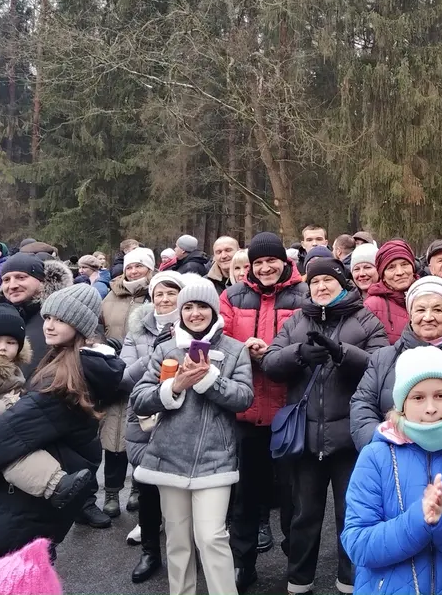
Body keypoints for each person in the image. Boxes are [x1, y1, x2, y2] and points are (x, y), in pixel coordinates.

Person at [0, 284, 125, 560]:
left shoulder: (63, 378)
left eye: (61, 319)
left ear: (80, 326)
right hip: (44, 493)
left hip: (24, 505)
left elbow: (11, 433)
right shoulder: (76, 364)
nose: (50, 326)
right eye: (47, 317)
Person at [262, 256, 388, 595]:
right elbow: (271, 362)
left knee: (351, 513)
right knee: (303, 515)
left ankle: (349, 580)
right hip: (305, 438)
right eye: (314, 282)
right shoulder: (294, 322)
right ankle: (299, 581)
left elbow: (381, 364)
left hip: (349, 438)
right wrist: (299, 354)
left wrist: (342, 352)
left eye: (327, 281)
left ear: (341, 283)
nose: (320, 286)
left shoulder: (364, 319)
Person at [342, 346, 442, 595]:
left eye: (440, 395)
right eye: (418, 397)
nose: (430, 408)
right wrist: (419, 519)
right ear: (402, 403)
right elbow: (358, 544)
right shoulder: (375, 456)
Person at [131, 278, 254, 595]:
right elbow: (140, 399)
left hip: (215, 459)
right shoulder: (165, 349)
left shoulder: (234, 350)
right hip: (168, 458)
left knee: (212, 537)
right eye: (188, 307)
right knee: (178, 540)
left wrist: (209, 379)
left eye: (202, 306)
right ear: (180, 311)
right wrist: (175, 386)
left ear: (213, 310)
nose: (195, 313)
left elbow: (243, 398)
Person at [221, 231, 307, 592]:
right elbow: (219, 341)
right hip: (245, 411)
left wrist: (271, 353)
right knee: (245, 496)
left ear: (284, 262)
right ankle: (244, 564)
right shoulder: (232, 296)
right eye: (259, 262)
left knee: (294, 496)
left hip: (290, 410)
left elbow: (308, 343)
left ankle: (297, 563)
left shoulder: (303, 295)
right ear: (250, 266)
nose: (266, 267)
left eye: (272, 260)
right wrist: (246, 349)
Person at [0, 308, 93, 509]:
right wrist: (9, 404)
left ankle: (57, 482)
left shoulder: (4, 370)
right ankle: (55, 487)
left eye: (11, 343)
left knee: (17, 447)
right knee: (11, 454)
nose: (2, 348)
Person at [351, 276, 442, 450]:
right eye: (420, 310)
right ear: (410, 314)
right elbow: (363, 405)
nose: (428, 317)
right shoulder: (383, 358)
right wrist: (382, 449)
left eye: (437, 309)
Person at [121, 269, 184, 583]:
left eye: (171, 293)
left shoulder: (193, 326)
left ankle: (182, 551)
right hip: (146, 419)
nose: (164, 298)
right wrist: (158, 353)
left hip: (183, 418)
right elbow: (124, 376)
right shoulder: (137, 331)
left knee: (178, 490)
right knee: (146, 488)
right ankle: (150, 552)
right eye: (159, 293)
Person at [93, 246, 155, 524]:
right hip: (111, 373)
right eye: (130, 267)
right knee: (112, 438)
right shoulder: (109, 295)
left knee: (140, 435)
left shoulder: (155, 294)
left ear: (150, 269)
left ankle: (139, 488)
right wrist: (105, 347)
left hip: (142, 373)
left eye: (139, 266)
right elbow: (97, 328)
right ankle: (111, 492)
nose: (133, 271)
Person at [0, 253, 73, 380]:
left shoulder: (61, 317)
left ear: (41, 280)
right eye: (6, 280)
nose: (12, 285)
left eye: (21, 277)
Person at [364, 239, 418, 344]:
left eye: (404, 264)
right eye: (391, 267)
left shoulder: (430, 294)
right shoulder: (372, 306)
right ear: (382, 276)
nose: (400, 272)